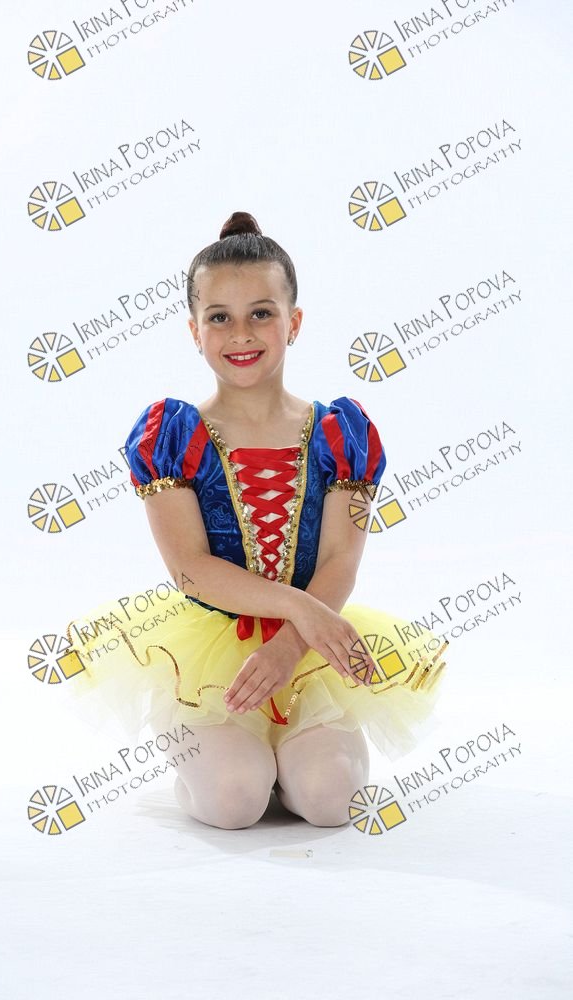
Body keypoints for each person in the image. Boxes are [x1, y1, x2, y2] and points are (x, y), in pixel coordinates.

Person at [64, 211, 449, 830]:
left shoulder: (339, 433)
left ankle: (293, 762)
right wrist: (297, 607)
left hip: (311, 644)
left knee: (331, 801)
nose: (240, 333)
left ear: (293, 322)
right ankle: (225, 762)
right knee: (234, 801)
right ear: (194, 330)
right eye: (219, 317)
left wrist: (293, 641)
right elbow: (190, 568)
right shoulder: (174, 435)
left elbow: (340, 559)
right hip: (210, 647)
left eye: (261, 313)